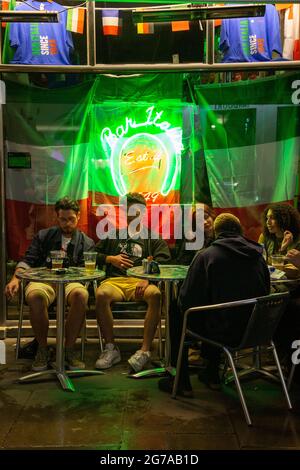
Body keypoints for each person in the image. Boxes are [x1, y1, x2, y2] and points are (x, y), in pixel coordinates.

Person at [158, 213, 270, 396]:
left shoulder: (206, 256)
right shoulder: (258, 256)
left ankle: (181, 381)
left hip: (222, 330)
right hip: (254, 330)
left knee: (177, 311)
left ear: (216, 233)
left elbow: (187, 300)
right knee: (219, 308)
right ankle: (212, 374)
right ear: (240, 231)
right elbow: (266, 290)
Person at [5, 196, 95, 371]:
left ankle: (68, 349)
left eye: (71, 219)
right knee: (35, 296)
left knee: (81, 295)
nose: (67, 223)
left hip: (71, 282)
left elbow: (86, 273)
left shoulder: (87, 242)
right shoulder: (43, 236)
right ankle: (42, 349)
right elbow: (27, 261)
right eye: (63, 219)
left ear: (78, 217)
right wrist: (15, 279)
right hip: (44, 280)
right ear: (57, 218)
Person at [94, 192, 171, 373]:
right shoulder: (113, 235)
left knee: (157, 294)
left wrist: (147, 278)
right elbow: (91, 255)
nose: (134, 215)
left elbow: (165, 260)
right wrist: (110, 258)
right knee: (101, 294)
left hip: (140, 282)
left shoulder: (152, 238)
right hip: (115, 281)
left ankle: (144, 350)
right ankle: (111, 348)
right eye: (130, 211)